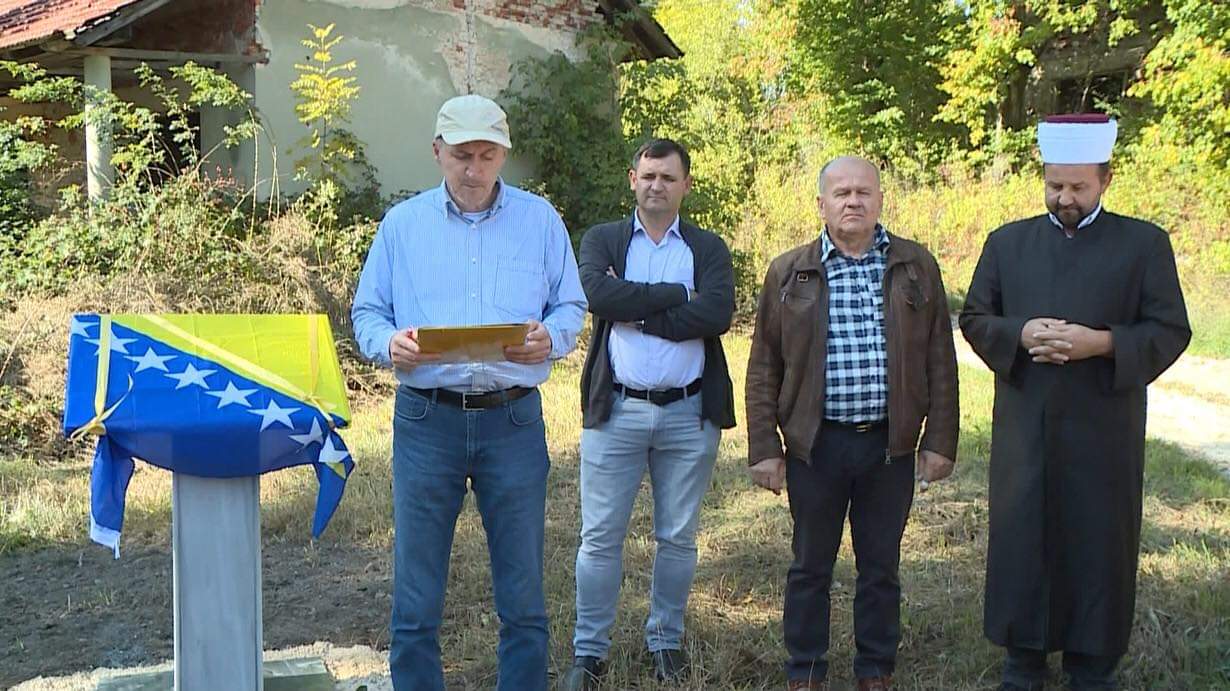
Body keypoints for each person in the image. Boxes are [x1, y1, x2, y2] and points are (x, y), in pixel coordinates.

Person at [350, 94, 586, 691]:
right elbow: (368, 312)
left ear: (504, 154)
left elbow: (570, 304)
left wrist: (551, 336)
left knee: (523, 594)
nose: (474, 170)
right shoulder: (402, 226)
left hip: (513, 421)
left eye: (486, 155)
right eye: (461, 156)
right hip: (427, 422)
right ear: (437, 153)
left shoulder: (540, 220)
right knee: (416, 595)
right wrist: (388, 344)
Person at [959, 114, 1190, 691]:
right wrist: (1020, 334)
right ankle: (1023, 661)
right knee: (1023, 536)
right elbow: (976, 318)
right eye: (1055, 185)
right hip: (1025, 426)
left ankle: (1092, 667)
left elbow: (1170, 329)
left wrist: (1102, 343)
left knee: (1098, 542)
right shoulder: (1007, 243)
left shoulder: (1144, 244)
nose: (1065, 197)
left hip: (1104, 427)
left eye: (1078, 186)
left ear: (1106, 180)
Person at [745, 156, 959, 691]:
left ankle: (875, 669)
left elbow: (940, 358)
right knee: (810, 565)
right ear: (821, 204)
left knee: (881, 566)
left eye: (864, 192)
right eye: (841, 193)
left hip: (889, 447)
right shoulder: (789, 272)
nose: (853, 201)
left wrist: (939, 440)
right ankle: (805, 670)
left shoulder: (915, 266)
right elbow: (764, 365)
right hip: (816, 446)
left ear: (880, 199)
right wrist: (764, 447)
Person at [563, 138, 736, 689]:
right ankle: (589, 652)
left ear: (686, 185)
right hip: (617, 410)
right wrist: (675, 294)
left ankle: (666, 642)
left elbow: (717, 313)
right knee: (599, 538)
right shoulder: (604, 240)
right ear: (632, 179)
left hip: (689, 413)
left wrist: (638, 310)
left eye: (668, 177)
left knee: (678, 538)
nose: (657, 185)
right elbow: (598, 296)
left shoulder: (707, 247)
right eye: (649, 175)